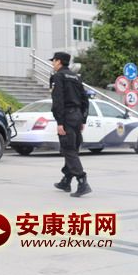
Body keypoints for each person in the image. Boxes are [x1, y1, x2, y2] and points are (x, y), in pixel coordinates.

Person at [50, 52, 92, 197]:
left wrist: (59, 122)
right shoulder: (76, 77)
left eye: (53, 61)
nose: (52, 63)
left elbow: (58, 100)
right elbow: (85, 100)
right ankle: (66, 181)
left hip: (67, 117)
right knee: (72, 149)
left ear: (59, 62)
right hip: (77, 116)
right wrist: (83, 120)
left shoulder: (58, 77)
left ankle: (82, 181)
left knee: (68, 150)